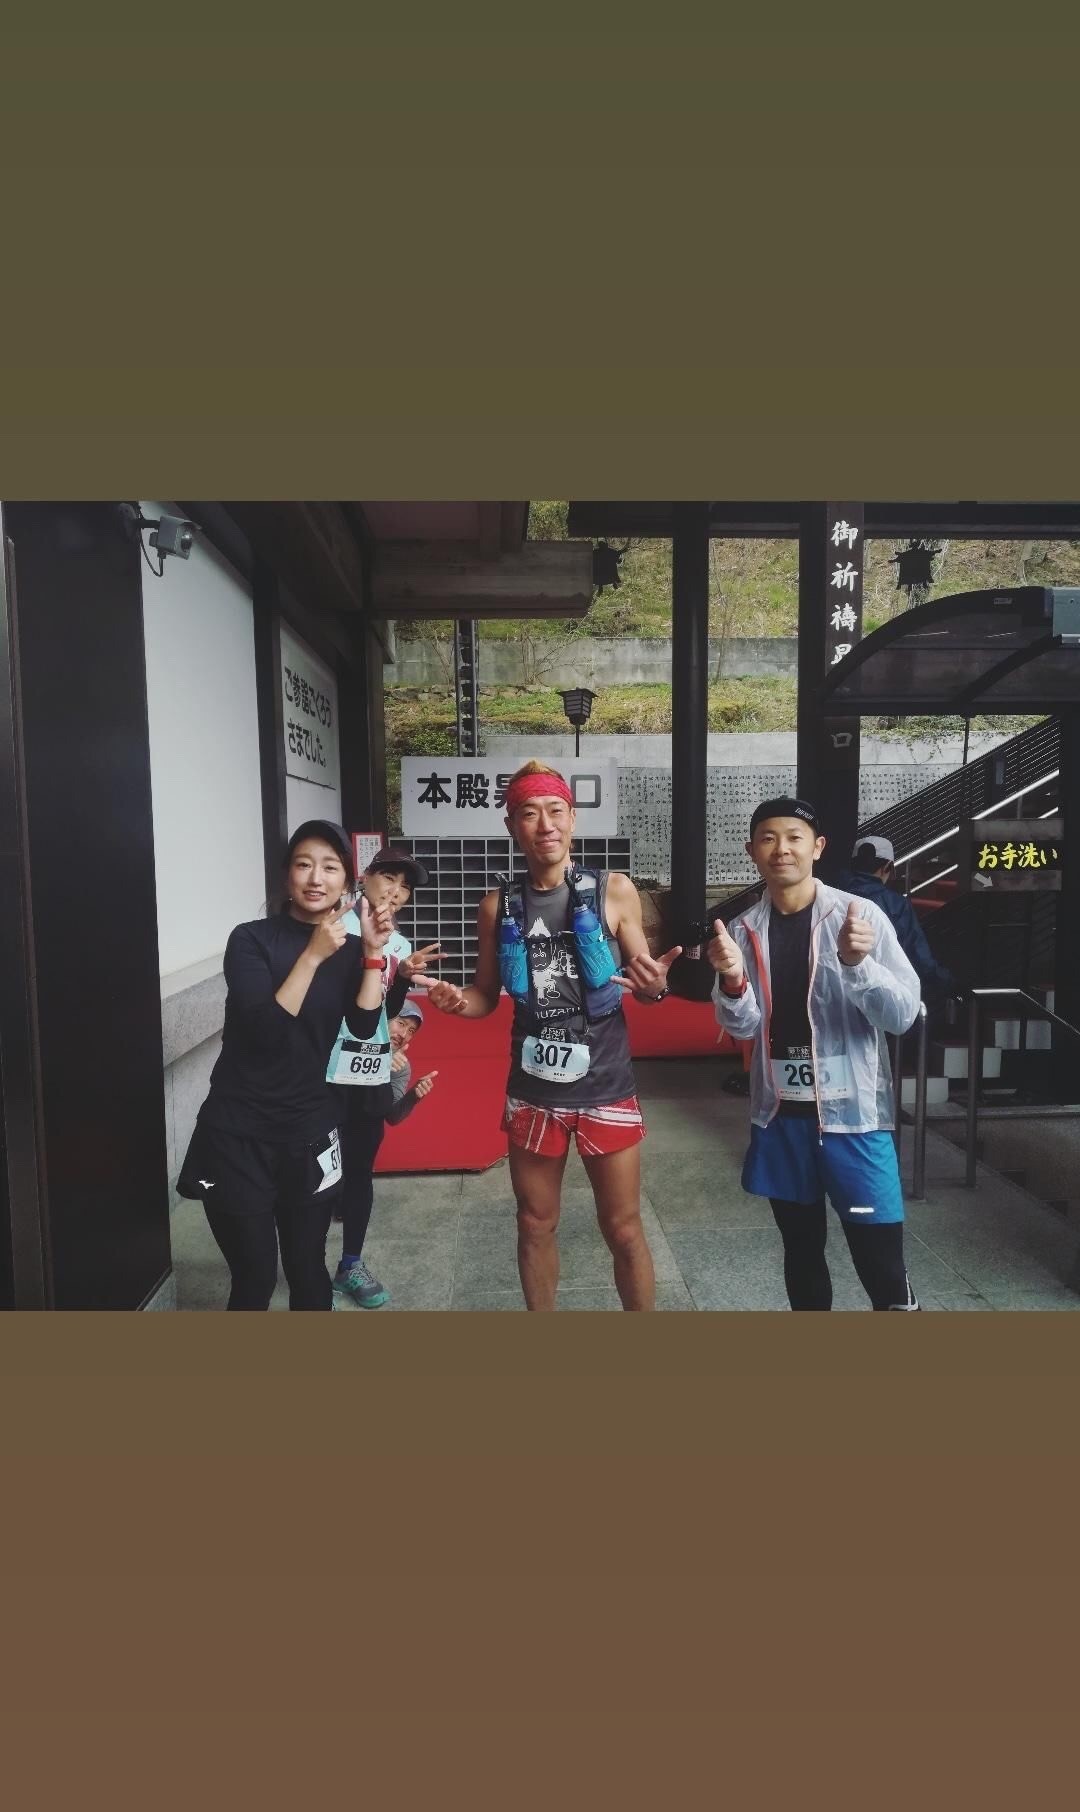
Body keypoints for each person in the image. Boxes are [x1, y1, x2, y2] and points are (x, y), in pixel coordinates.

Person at [424, 759, 681, 1311]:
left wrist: (656, 985)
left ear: (573, 818)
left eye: (556, 811)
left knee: (624, 1227)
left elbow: (645, 984)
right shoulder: (496, 905)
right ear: (511, 826)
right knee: (534, 1222)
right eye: (529, 813)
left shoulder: (614, 890)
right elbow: (484, 995)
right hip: (534, 1089)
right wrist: (456, 1002)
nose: (546, 824)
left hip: (606, 1084)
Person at [708, 797, 923, 1311]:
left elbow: (902, 1015)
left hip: (856, 1124)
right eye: (768, 839)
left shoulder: (859, 916)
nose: (781, 849)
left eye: (794, 837)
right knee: (801, 1252)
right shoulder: (742, 930)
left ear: (817, 847)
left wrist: (857, 963)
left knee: (880, 1263)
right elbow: (743, 1026)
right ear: (752, 851)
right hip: (781, 1120)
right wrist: (733, 981)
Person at [176, 820, 393, 1310]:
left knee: (308, 1270)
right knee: (253, 1278)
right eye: (303, 864)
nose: (316, 878)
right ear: (285, 875)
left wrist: (372, 953)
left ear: (347, 880)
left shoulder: (350, 949)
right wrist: (312, 957)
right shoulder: (250, 940)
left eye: (330, 867)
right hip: (238, 1134)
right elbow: (264, 1032)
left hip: (311, 1131)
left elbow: (362, 1029)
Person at [327, 846, 442, 1308]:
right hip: (323, 1073)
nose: (396, 892)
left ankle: (350, 1263)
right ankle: (305, 1263)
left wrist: (403, 978)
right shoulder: (335, 927)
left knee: (359, 1171)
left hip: (367, 1071)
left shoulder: (400, 943)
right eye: (389, 878)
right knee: (313, 1172)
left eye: (405, 887)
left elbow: (382, 1012)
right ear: (365, 877)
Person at [835, 835, 957, 1005]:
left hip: (832, 993)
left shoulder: (831, 894)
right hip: (878, 997)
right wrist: (950, 984)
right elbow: (919, 958)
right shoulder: (896, 904)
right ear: (888, 867)